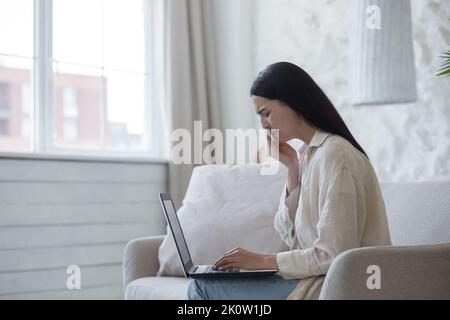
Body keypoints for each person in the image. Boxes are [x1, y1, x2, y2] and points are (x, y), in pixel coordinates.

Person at [186, 62, 391, 300]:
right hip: (310, 280)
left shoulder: (336, 155)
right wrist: (292, 169)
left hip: (337, 287)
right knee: (203, 283)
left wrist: (262, 260)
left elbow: (334, 254)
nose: (263, 124)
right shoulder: (309, 154)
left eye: (265, 113)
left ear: (293, 102)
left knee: (200, 288)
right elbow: (291, 237)